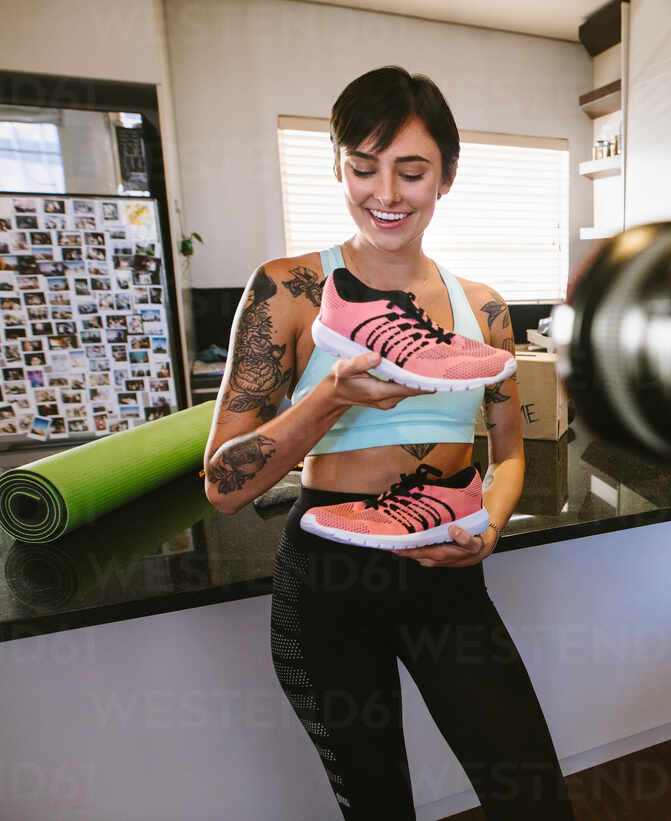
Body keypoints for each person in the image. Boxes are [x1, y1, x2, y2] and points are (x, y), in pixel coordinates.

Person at [203, 66, 574, 820]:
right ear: (338, 166)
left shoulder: (484, 308)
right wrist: (330, 395)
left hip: (444, 568)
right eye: (362, 167)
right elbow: (223, 485)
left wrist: (490, 528)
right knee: (378, 810)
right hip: (328, 584)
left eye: (411, 170)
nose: (385, 193)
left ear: (447, 176)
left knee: (534, 799)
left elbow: (509, 453)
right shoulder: (290, 289)